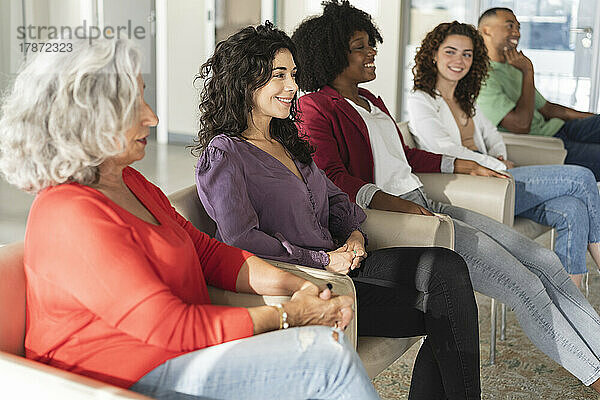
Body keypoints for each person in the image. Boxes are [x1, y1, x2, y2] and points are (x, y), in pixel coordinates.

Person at [0, 38, 379, 400]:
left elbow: (209, 254)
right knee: (327, 361)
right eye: (134, 103)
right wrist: (289, 313)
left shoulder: (128, 180)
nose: (152, 116)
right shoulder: (69, 213)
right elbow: (170, 327)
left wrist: (300, 285)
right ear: (87, 116)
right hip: (118, 379)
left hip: (176, 355)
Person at [293, 0, 600, 392]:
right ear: (333, 54)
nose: (372, 52)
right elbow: (334, 179)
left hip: (423, 203)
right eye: (361, 46)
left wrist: (460, 165)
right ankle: (594, 375)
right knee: (525, 286)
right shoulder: (315, 107)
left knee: (544, 260)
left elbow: (404, 156)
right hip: (399, 219)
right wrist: (402, 205)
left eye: (371, 44)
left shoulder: (370, 100)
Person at [194, 22, 481, 400]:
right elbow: (240, 240)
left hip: (345, 261)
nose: (292, 87)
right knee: (448, 313)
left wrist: (355, 235)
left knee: (446, 267)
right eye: (279, 76)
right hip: (311, 280)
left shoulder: (286, 138)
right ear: (246, 81)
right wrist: (322, 259)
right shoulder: (226, 153)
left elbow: (336, 199)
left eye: (293, 75)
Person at [407, 21, 600, 288]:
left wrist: (497, 156)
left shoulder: (465, 99)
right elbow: (444, 150)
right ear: (433, 54)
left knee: (572, 208)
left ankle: (571, 296)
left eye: (467, 54)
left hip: (495, 178)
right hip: (473, 189)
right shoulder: (421, 100)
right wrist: (491, 163)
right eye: (450, 51)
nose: (459, 60)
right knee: (581, 178)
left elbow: (492, 136)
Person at [477, 7, 600, 180]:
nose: (517, 33)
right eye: (510, 26)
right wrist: (528, 72)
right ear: (486, 30)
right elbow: (521, 125)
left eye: (518, 27)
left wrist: (592, 119)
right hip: (545, 143)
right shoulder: (483, 77)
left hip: (559, 127)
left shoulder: (512, 67)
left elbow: (548, 109)